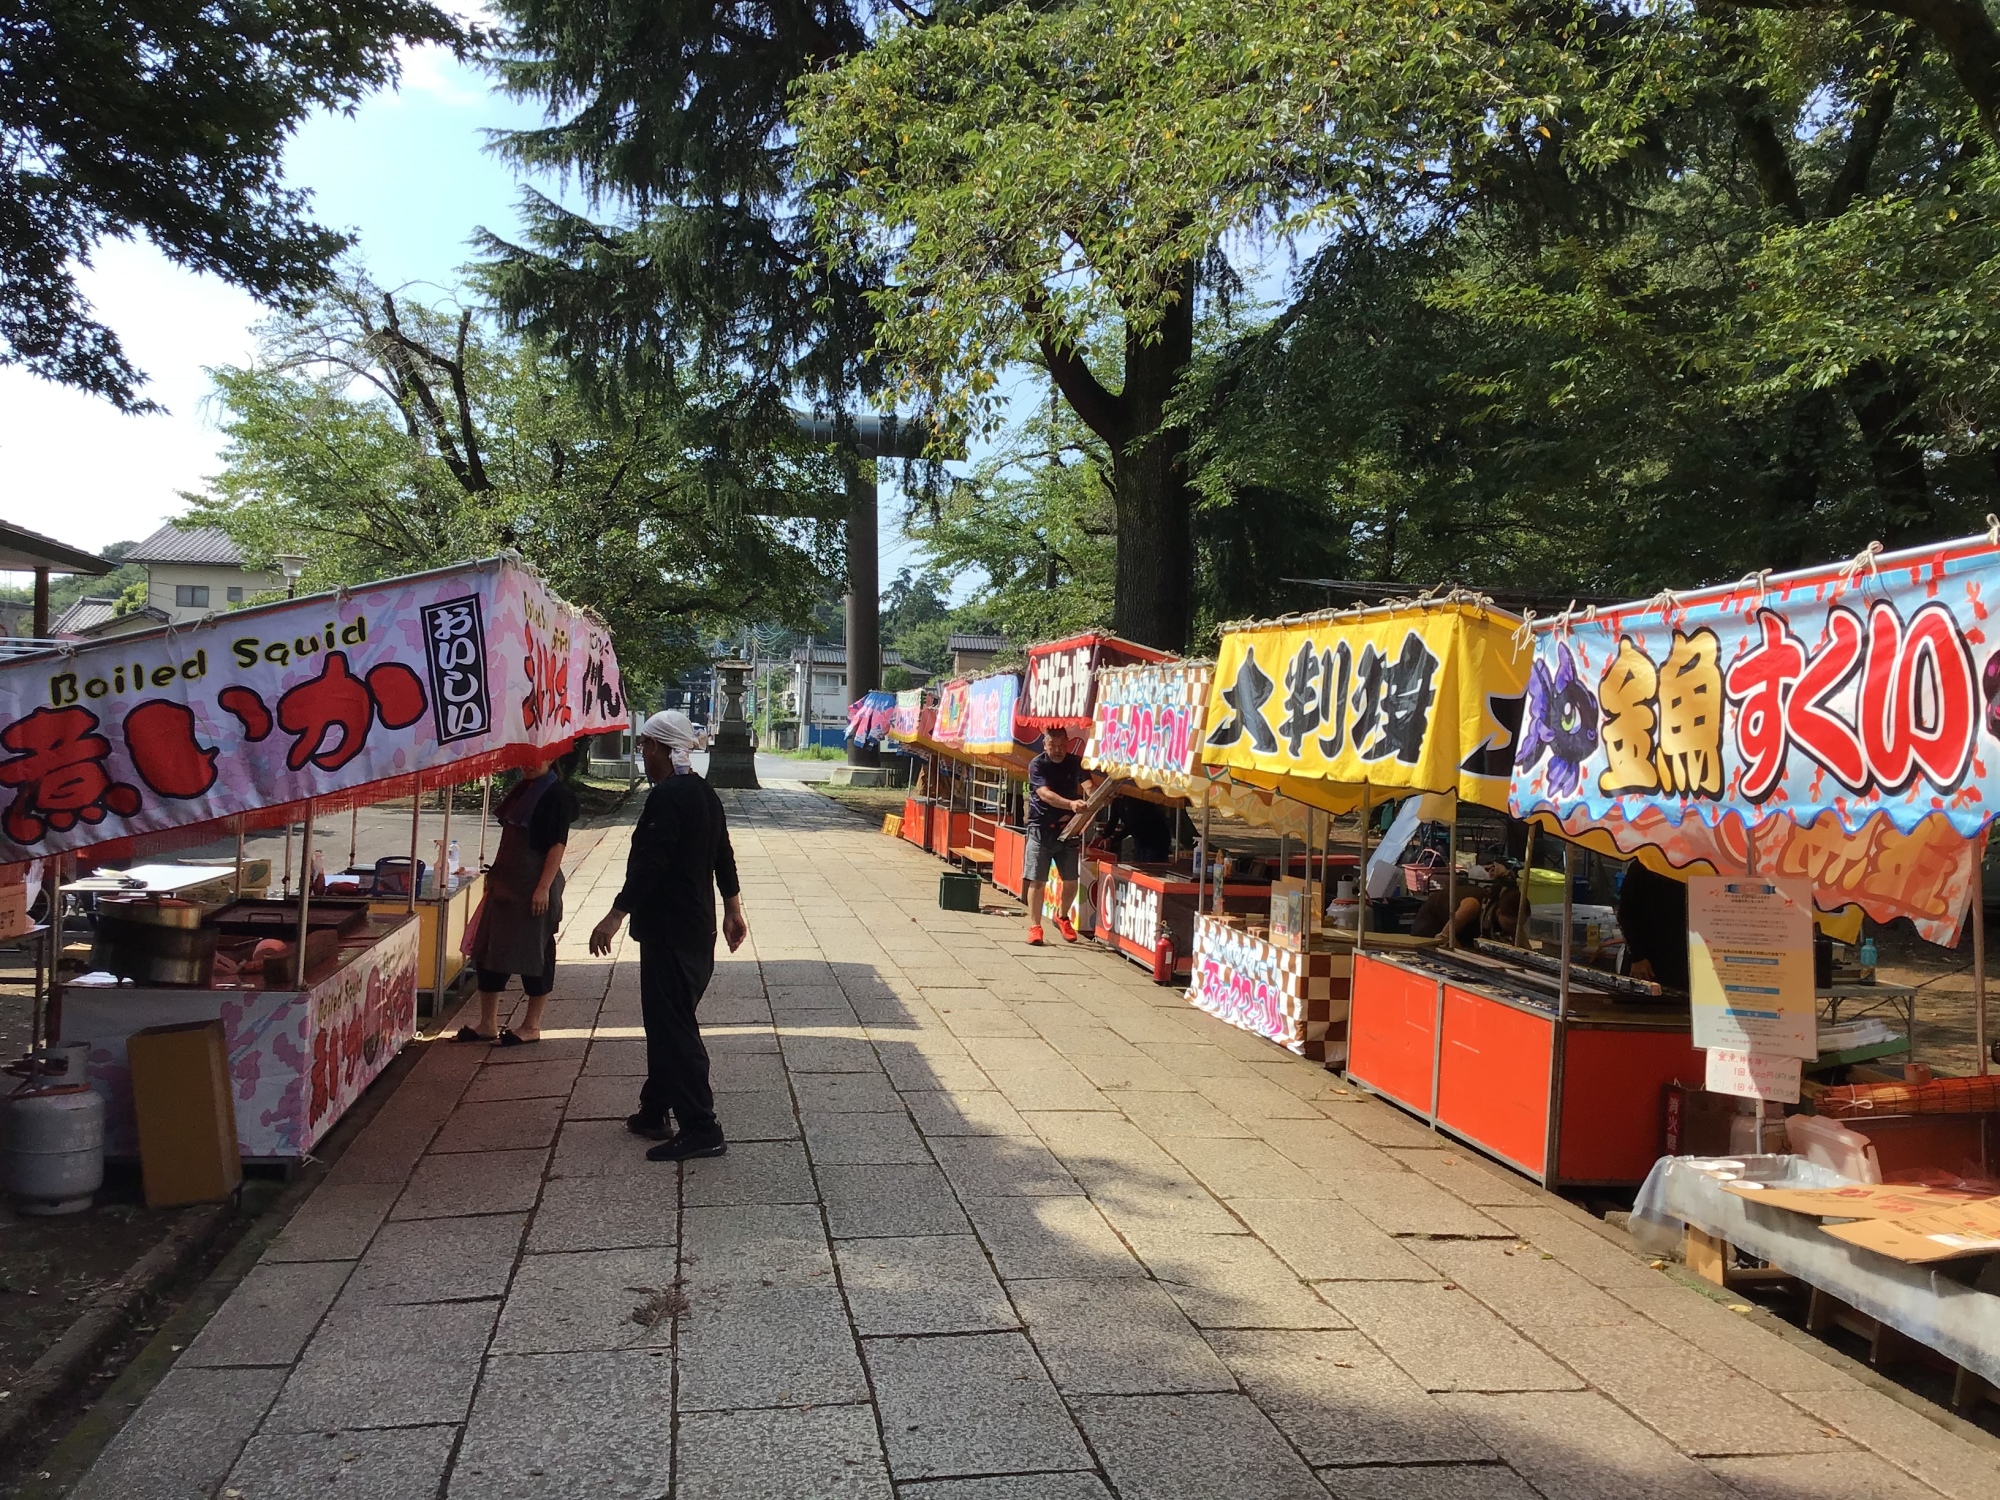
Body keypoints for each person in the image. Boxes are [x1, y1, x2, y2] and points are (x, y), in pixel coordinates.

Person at [589, 710, 748, 1162]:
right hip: (696, 931)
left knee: (674, 1029)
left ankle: (702, 1127)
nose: (641, 753)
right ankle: (655, 1108)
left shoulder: (668, 798)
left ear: (659, 747)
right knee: (667, 1023)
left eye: (644, 745)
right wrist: (733, 909)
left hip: (670, 933)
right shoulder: (702, 792)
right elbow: (724, 855)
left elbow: (649, 866)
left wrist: (614, 916)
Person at [456, 747, 577, 1046]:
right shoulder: (523, 790)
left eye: (535, 759)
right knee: (488, 951)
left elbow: (556, 845)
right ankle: (488, 1023)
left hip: (532, 885)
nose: (528, 765)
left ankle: (531, 1025)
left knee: (534, 953)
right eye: (524, 758)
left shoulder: (556, 794)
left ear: (551, 759)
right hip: (505, 885)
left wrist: (543, 888)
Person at [1022, 726, 1096, 946]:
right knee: (1037, 880)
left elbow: (1088, 785)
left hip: (1069, 830)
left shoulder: (1075, 762)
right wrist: (1071, 804)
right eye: (1053, 745)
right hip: (1041, 829)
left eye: (1062, 745)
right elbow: (1045, 795)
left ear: (1068, 743)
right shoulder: (1037, 764)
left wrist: (1096, 797)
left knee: (1071, 881)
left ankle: (1062, 916)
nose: (1058, 750)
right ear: (1045, 745)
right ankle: (1035, 926)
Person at [1617, 858, 1690, 989]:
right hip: (1646, 963)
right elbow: (1625, 913)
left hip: (1681, 963)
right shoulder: (1643, 865)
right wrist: (1637, 956)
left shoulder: (1694, 867)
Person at [1411, 887, 1482, 944]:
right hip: (1432, 924)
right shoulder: (1477, 904)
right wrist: (1445, 936)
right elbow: (1471, 905)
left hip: (1460, 929)